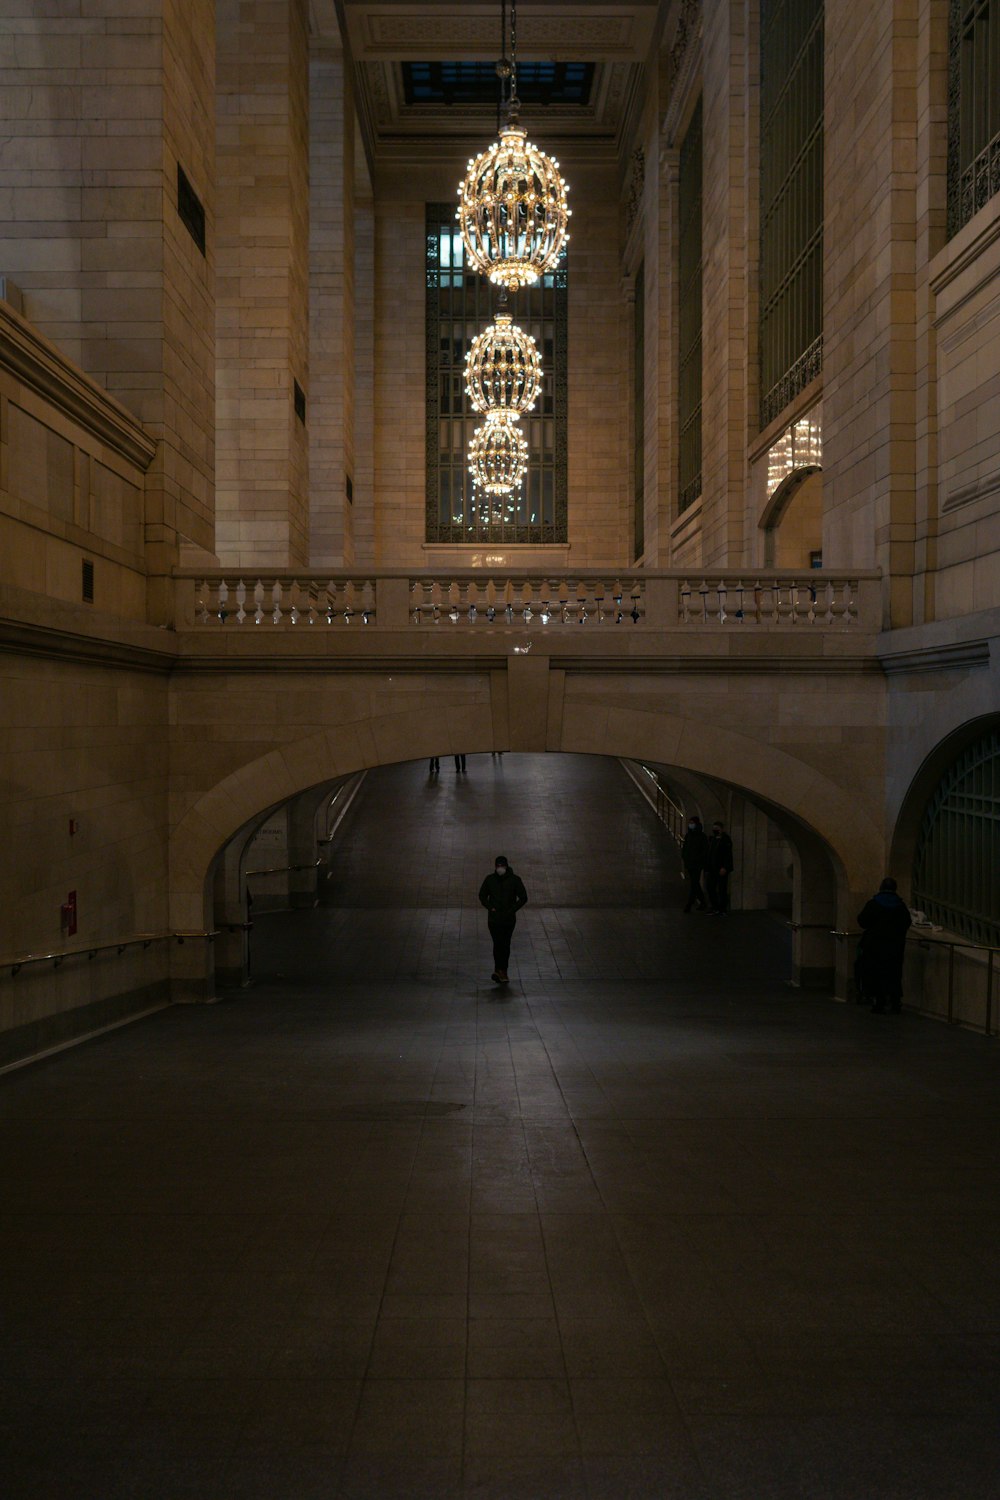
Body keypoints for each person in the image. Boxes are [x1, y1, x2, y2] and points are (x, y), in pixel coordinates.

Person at [857, 877, 912, 1013]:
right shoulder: (900, 906)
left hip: (874, 946)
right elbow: (907, 923)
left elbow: (862, 921)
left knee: (876, 973)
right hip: (895, 947)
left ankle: (879, 1002)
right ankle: (895, 1002)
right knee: (894, 974)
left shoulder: (873, 904)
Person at [478, 854, 527, 984]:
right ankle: (499, 970)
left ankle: (502, 970)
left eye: (502, 866)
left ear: (506, 866)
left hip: (508, 920)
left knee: (504, 945)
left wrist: (511, 910)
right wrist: (490, 907)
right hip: (494, 920)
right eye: (498, 866)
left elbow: (523, 897)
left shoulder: (515, 880)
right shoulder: (490, 880)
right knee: (497, 944)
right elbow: (482, 895)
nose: (500, 868)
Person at [704, 820, 734, 914]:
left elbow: (728, 855)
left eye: (717, 829)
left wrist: (725, 867)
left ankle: (722, 908)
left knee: (722, 889)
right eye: (714, 829)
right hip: (712, 868)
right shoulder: (712, 839)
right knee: (710, 888)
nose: (715, 830)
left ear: (721, 829)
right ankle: (715, 907)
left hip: (721, 868)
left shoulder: (725, 839)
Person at [681, 816, 708, 911]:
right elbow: (685, 849)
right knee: (695, 883)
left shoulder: (702, 837)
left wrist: (698, 859)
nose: (690, 824)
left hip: (697, 864)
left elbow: (704, 851)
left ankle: (689, 904)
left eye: (692, 823)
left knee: (694, 883)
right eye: (690, 823)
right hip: (690, 863)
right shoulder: (688, 836)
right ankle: (703, 902)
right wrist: (685, 858)